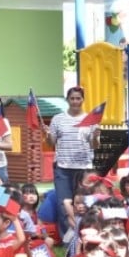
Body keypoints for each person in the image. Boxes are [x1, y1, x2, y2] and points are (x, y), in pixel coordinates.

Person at [47, 87, 101, 240]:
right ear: (67, 100)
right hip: (63, 168)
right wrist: (47, 136)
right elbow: (51, 142)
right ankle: (68, 240)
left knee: (85, 203)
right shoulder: (58, 119)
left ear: (83, 100)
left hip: (84, 168)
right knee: (64, 204)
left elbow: (94, 145)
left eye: (78, 98)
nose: (75, 101)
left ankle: (86, 235)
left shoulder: (91, 120)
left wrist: (96, 136)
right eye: (72, 98)